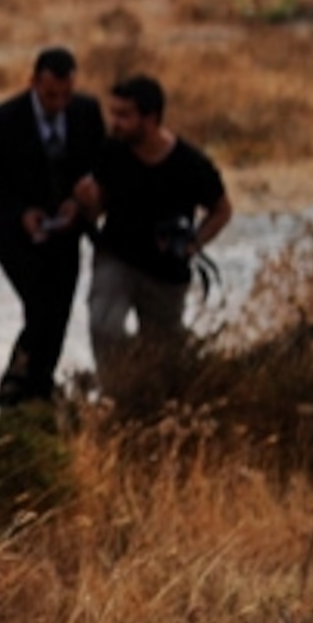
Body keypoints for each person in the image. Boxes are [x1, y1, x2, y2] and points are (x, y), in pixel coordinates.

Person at [72, 74, 234, 401]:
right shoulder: (110, 153)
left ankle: (152, 404)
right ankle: (116, 396)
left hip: (166, 270)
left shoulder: (190, 163)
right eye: (113, 113)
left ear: (151, 118)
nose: (115, 123)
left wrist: (195, 242)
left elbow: (222, 210)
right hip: (116, 257)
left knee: (163, 353)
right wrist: (86, 202)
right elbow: (97, 208)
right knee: (104, 326)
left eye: (124, 115)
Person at [0, 46, 102, 410]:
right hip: (16, 238)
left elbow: (100, 165)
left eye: (66, 94)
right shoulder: (3, 120)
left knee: (58, 312)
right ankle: (22, 385)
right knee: (42, 309)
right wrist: (19, 210)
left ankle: (33, 389)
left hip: (67, 235)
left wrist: (81, 201)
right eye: (50, 94)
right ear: (34, 83)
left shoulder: (87, 113)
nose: (59, 102)